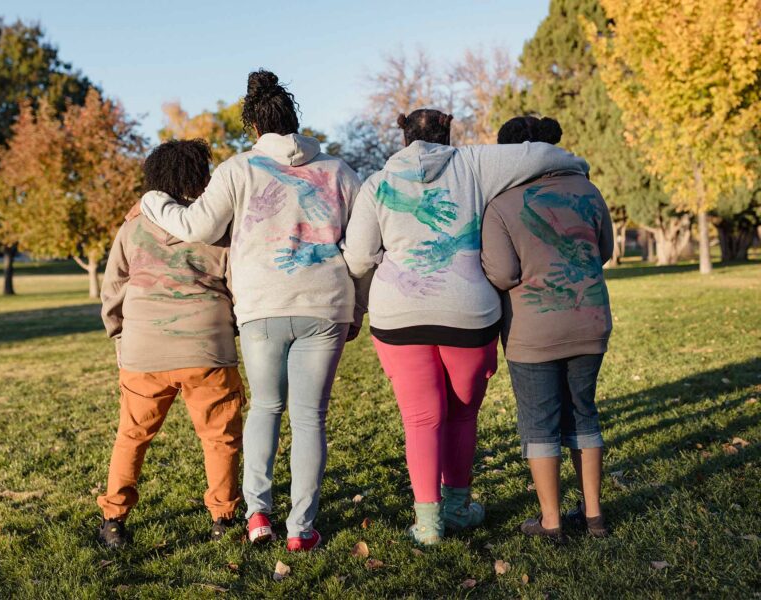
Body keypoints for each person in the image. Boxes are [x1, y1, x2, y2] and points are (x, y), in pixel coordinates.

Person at [135, 70, 363, 552]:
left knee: (265, 408)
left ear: (254, 129)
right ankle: (302, 530)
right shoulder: (340, 172)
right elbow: (363, 247)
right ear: (297, 123)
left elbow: (196, 225)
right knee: (310, 419)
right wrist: (357, 304)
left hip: (262, 306)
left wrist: (153, 198)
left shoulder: (238, 169)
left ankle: (258, 515)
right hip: (327, 305)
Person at [342, 109, 590, 545]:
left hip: (399, 318)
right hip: (469, 316)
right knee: (461, 415)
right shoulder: (474, 162)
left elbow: (359, 258)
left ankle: (428, 523)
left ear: (402, 136)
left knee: (420, 419)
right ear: (448, 130)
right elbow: (536, 155)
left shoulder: (377, 183)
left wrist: (383, 269)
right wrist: (576, 165)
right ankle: (457, 507)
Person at [97, 139, 245, 549]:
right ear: (200, 178)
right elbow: (237, 286)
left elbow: (113, 291)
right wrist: (227, 328)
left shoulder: (132, 227)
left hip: (144, 352)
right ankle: (223, 517)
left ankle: (113, 519)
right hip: (207, 348)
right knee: (220, 438)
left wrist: (121, 337)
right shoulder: (218, 228)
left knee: (132, 435)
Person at [481, 115, 614, 543]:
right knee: (584, 414)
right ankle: (594, 516)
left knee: (540, 423)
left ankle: (551, 521)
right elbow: (605, 250)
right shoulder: (587, 189)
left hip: (532, 329)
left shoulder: (502, 203)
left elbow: (502, 274)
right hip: (590, 320)